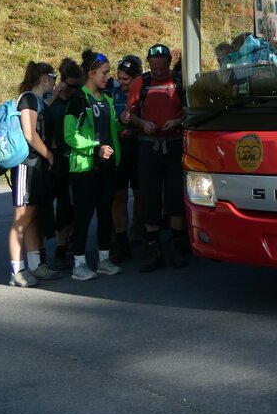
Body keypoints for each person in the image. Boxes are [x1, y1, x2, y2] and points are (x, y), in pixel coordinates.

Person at [128, 43, 188, 272]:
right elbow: (131, 114)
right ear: (149, 65)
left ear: (169, 64)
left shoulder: (179, 82)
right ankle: (152, 246)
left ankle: (176, 243)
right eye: (155, 69)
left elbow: (189, 111)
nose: (159, 73)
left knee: (175, 194)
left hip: (174, 145)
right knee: (149, 196)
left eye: (163, 69)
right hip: (148, 146)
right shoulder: (140, 83)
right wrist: (143, 123)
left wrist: (179, 121)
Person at [64, 50, 123, 281]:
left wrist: (121, 123)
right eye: (104, 73)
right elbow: (70, 135)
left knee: (105, 214)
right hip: (85, 168)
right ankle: (78, 264)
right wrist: (95, 148)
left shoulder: (106, 98)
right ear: (91, 73)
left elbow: (109, 129)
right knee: (84, 215)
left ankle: (103, 259)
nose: (108, 77)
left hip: (107, 166)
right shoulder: (77, 101)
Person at [7, 61, 63, 288]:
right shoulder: (29, 99)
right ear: (45, 78)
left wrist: (55, 97)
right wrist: (50, 155)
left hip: (36, 167)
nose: (55, 82)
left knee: (32, 218)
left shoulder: (39, 101)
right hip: (26, 166)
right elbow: (30, 134)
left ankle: (35, 265)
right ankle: (17, 270)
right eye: (54, 78)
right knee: (21, 218)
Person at [44, 57, 83, 269]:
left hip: (76, 157)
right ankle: (59, 246)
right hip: (57, 157)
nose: (74, 90)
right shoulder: (54, 101)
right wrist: (56, 95)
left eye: (78, 86)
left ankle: (71, 243)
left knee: (75, 205)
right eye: (71, 86)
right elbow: (40, 119)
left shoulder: (79, 100)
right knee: (61, 205)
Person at [109, 54, 143, 262]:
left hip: (138, 149)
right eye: (119, 78)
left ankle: (137, 229)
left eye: (125, 80)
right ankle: (119, 236)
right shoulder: (112, 94)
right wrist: (119, 121)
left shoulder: (144, 93)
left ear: (136, 78)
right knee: (118, 195)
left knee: (140, 195)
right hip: (119, 151)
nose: (121, 83)